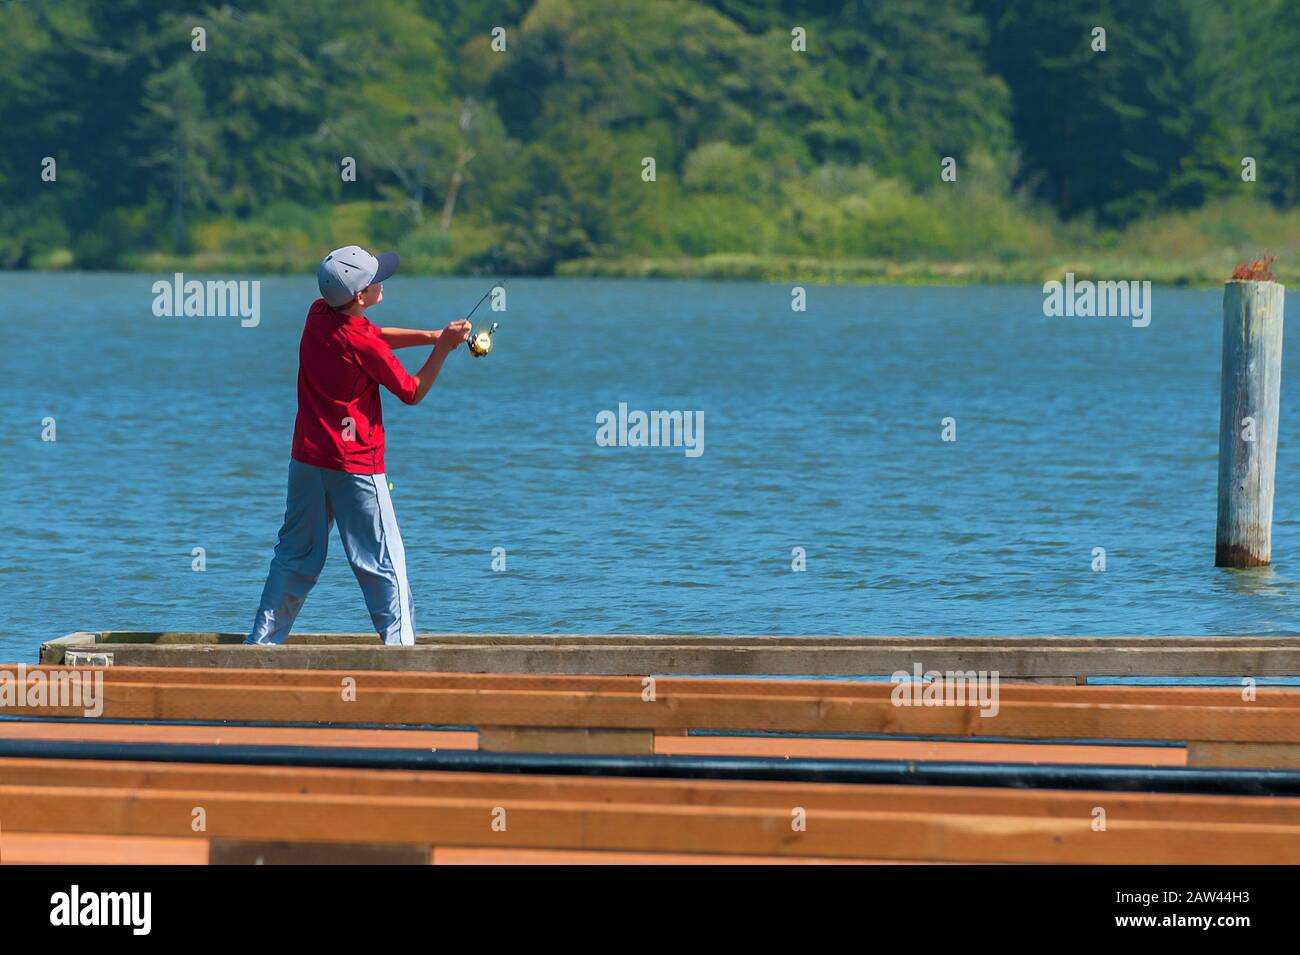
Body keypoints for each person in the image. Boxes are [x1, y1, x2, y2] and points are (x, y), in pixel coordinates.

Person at [245, 245, 470, 646]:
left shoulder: (318, 315)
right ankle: (401, 656)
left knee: (295, 557)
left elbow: (372, 335)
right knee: (384, 563)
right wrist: (442, 350)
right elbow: (412, 391)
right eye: (375, 280)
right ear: (361, 297)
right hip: (356, 466)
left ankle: (260, 648)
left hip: (307, 461)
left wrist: (431, 335)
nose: (382, 281)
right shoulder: (362, 345)